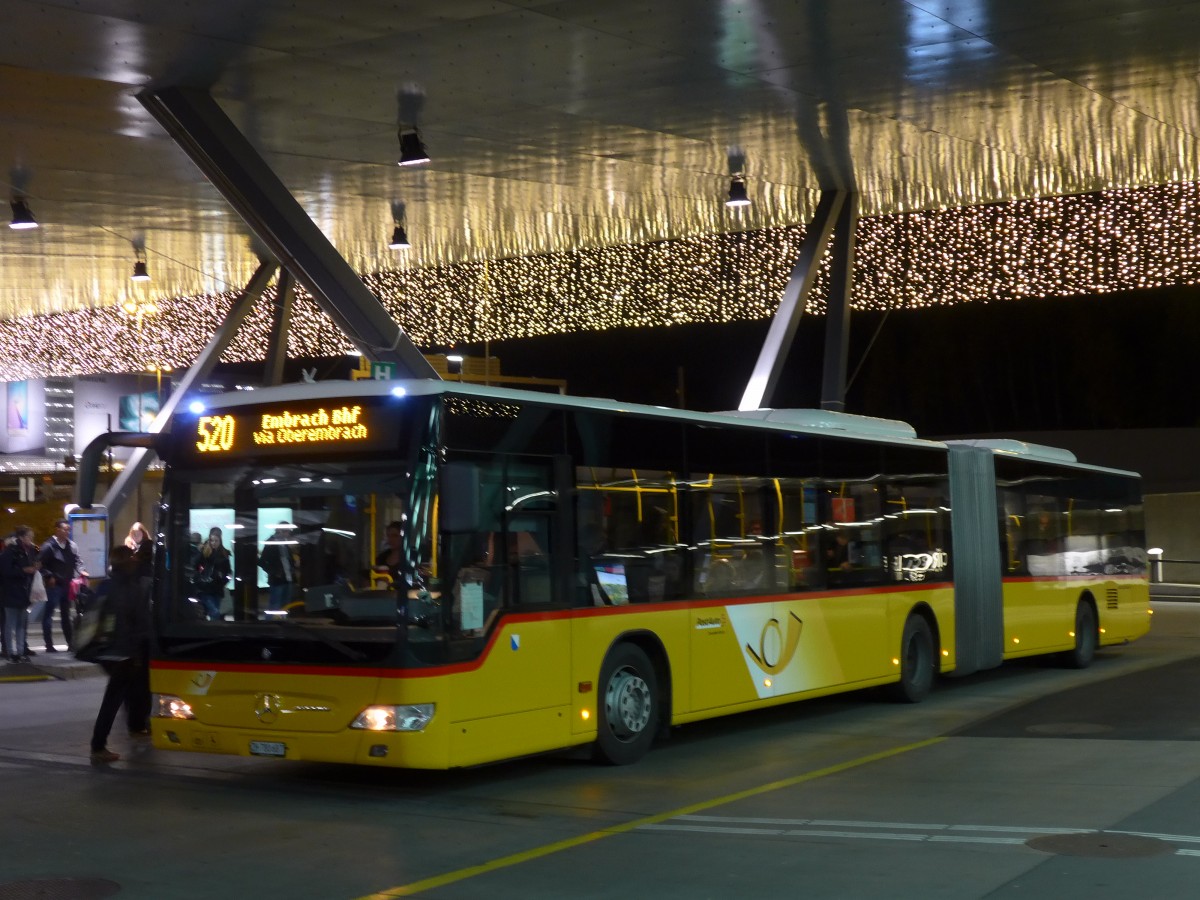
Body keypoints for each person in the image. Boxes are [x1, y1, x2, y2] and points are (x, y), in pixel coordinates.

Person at [89, 544, 152, 763]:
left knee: (130, 690)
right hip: (123, 651)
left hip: (105, 651)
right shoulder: (131, 587)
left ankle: (136, 726)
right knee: (113, 699)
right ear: (128, 562)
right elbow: (137, 622)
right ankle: (98, 745)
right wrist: (136, 652)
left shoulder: (105, 585)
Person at [38, 518, 87, 652]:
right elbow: (40, 565)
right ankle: (49, 644)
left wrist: (81, 570)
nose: (67, 532)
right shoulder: (49, 546)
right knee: (49, 614)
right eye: (64, 529)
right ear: (57, 530)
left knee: (66, 615)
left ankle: (70, 643)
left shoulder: (71, 546)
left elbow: (77, 561)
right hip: (54, 585)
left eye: (68, 530)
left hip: (67, 585)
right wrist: (49, 576)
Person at [1, 526, 41, 662]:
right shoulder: (11, 551)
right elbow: (6, 571)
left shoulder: (29, 551)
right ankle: (11, 652)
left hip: (24, 592)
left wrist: (35, 568)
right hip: (11, 592)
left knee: (21, 624)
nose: (31, 540)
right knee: (10, 623)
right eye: (29, 537)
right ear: (22, 537)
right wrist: (24, 570)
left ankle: (20, 650)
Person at [193, 527, 231, 621]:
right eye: (211, 540)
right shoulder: (205, 552)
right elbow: (195, 565)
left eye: (216, 541)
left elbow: (228, 571)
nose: (213, 543)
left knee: (215, 613)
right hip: (205, 588)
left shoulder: (224, 554)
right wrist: (200, 578)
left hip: (217, 588)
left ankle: (212, 632)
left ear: (220, 541)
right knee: (215, 612)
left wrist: (223, 581)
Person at [258, 522, 297, 611]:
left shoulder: (285, 543)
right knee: (275, 604)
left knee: (285, 605)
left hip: (287, 578)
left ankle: (281, 621)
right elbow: (262, 561)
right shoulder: (271, 542)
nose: (288, 533)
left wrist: (293, 566)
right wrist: (274, 572)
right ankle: (272, 622)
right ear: (280, 530)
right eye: (287, 531)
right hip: (278, 579)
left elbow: (287, 560)